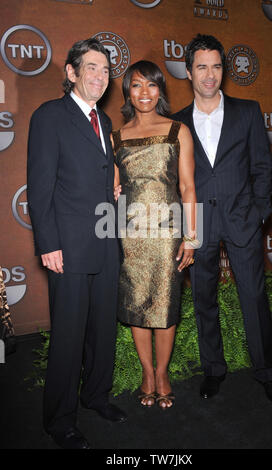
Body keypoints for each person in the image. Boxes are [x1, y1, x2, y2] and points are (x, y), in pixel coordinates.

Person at [172, 34, 272, 405]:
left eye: (217, 66)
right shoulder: (176, 124)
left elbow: (261, 168)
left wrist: (257, 216)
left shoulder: (249, 111)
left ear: (224, 69)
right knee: (204, 299)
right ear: (189, 72)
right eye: (202, 66)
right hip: (198, 224)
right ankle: (214, 370)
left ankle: (266, 372)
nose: (210, 75)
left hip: (241, 221)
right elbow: (175, 181)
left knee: (253, 297)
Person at [27, 38, 127, 450]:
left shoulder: (103, 122)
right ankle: (60, 420)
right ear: (71, 72)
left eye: (105, 70)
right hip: (67, 246)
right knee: (69, 334)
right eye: (91, 68)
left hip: (105, 241)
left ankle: (96, 396)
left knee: (103, 328)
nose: (100, 77)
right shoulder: (49, 116)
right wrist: (48, 243)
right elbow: (40, 185)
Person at [112, 60, 197, 409]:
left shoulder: (178, 130)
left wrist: (192, 237)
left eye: (151, 85)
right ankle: (147, 373)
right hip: (129, 233)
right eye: (136, 85)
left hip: (167, 232)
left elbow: (189, 187)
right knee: (136, 305)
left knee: (164, 305)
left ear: (161, 89)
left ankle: (163, 373)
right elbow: (113, 187)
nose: (144, 92)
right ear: (127, 92)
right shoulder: (116, 137)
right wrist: (113, 194)